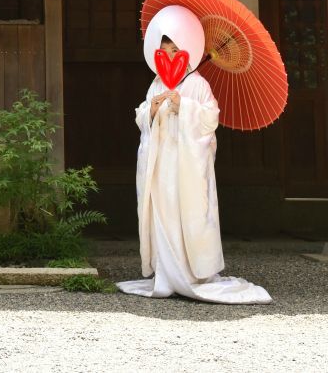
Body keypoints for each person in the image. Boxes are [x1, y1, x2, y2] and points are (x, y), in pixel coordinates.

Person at [116, 34, 271, 304]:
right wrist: (151, 110)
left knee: (189, 211)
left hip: (188, 163)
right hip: (162, 162)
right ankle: (166, 272)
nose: (171, 55)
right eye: (165, 50)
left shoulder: (198, 83)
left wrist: (183, 106)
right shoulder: (156, 83)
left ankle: (192, 273)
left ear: (186, 51)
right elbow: (142, 116)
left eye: (175, 49)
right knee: (164, 212)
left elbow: (211, 118)